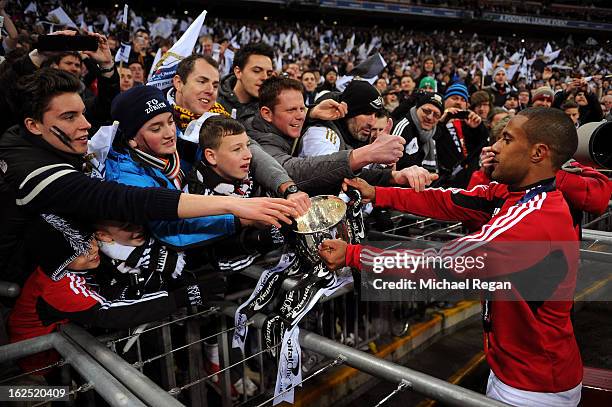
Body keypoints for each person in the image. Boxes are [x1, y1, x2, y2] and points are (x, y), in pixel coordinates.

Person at [320, 108, 586, 406]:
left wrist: (354, 255)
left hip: (533, 388)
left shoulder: (532, 221)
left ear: (538, 153)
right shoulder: (513, 194)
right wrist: (379, 194)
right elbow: (449, 200)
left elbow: (439, 264)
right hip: (520, 372)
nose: (494, 147)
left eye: (507, 140)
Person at [0, 68, 297, 285]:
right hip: (31, 294)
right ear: (34, 125)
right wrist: (235, 211)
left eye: (170, 123)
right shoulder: (30, 171)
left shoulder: (170, 147)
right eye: (69, 117)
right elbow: (133, 201)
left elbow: (239, 147)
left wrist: (282, 185)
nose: (87, 125)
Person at [9, 214, 222, 374]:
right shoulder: (57, 286)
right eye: (79, 251)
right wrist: (180, 298)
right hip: (36, 366)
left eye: (89, 241)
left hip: (62, 355)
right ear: (58, 260)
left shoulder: (74, 269)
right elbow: (109, 312)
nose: (92, 250)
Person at [248, 77, 430, 196]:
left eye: (302, 108)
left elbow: (345, 172)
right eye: (291, 110)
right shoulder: (257, 137)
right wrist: (367, 154)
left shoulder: (294, 123)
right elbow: (290, 171)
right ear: (266, 113)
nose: (300, 115)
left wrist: (393, 177)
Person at [436, 83, 488, 188]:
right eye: (454, 98)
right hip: (444, 183)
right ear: (445, 101)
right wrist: (441, 122)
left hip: (469, 182)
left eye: (462, 100)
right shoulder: (434, 121)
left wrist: (478, 128)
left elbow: (483, 146)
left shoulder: (470, 124)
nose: (458, 102)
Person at [217, 42, 275, 122]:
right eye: (257, 71)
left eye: (269, 74)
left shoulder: (272, 110)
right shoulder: (213, 103)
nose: (265, 77)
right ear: (238, 72)